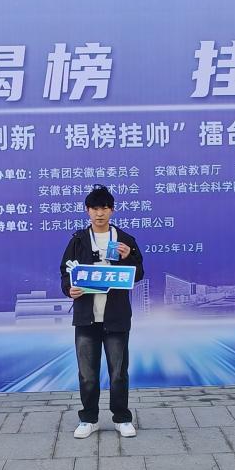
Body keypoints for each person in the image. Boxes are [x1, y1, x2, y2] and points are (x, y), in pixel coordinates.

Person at [59, 185, 144, 439]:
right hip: (86, 318)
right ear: (87, 210)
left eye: (104, 208)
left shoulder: (125, 240)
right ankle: (89, 419)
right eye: (95, 208)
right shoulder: (78, 240)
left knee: (118, 373)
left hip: (116, 317)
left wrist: (129, 257)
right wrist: (69, 289)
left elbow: (139, 273)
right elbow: (65, 272)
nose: (100, 213)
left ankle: (122, 418)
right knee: (87, 374)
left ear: (112, 210)